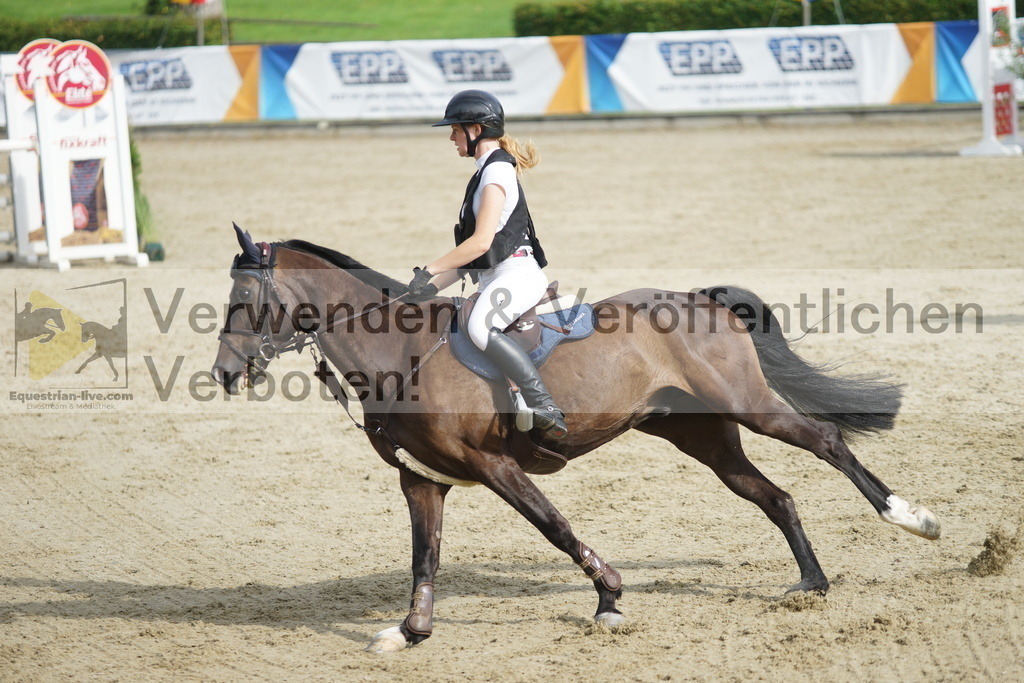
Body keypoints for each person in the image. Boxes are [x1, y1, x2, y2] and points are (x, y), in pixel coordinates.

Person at [405, 89, 567, 438]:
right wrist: (425, 289)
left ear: (475, 130)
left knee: (480, 327)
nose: (451, 137)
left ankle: (543, 404)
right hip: (496, 276)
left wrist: (430, 269)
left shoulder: (496, 174)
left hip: (517, 275)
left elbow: (480, 242)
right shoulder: (484, 173)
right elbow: (474, 256)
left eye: (455, 129)